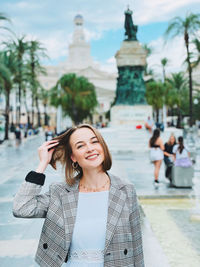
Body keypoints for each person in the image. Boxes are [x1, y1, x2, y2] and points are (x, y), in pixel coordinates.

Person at [13, 124, 144, 267]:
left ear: (103, 147)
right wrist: (43, 163)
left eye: (95, 142)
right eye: (80, 146)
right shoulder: (61, 192)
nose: (90, 148)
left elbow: (136, 248)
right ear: (73, 157)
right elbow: (21, 207)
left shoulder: (126, 191)